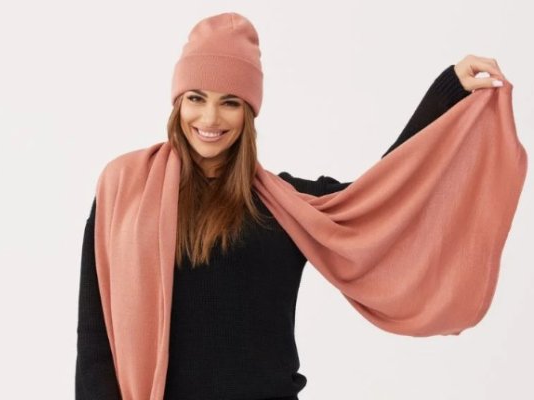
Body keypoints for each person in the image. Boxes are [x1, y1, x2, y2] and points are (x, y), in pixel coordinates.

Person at [75, 12, 508, 400]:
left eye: (230, 102)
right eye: (196, 98)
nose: (209, 119)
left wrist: (449, 89)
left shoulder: (285, 207)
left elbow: (383, 193)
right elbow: (95, 339)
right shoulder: (123, 188)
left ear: (249, 113)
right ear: (178, 102)